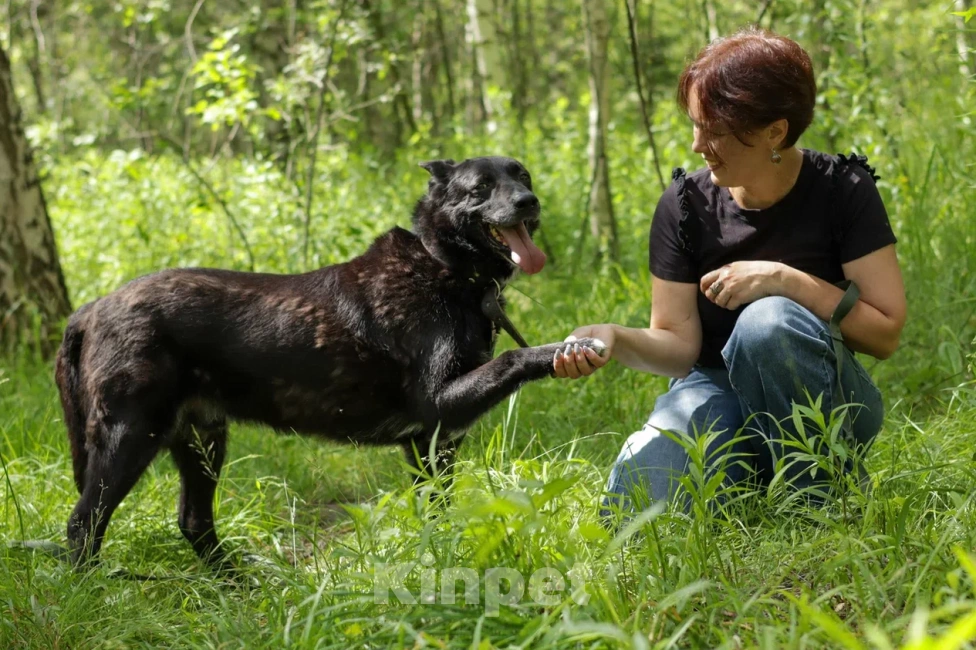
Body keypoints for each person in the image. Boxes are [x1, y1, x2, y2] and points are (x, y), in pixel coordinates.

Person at [553, 27, 906, 511]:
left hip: (827, 397)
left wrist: (785, 281)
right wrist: (615, 337)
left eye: (714, 130)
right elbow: (679, 350)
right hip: (715, 391)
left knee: (768, 322)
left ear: (774, 132)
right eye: (694, 125)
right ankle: (755, 469)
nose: (698, 144)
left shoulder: (843, 189)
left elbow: (885, 334)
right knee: (640, 499)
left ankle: (822, 497)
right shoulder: (683, 206)